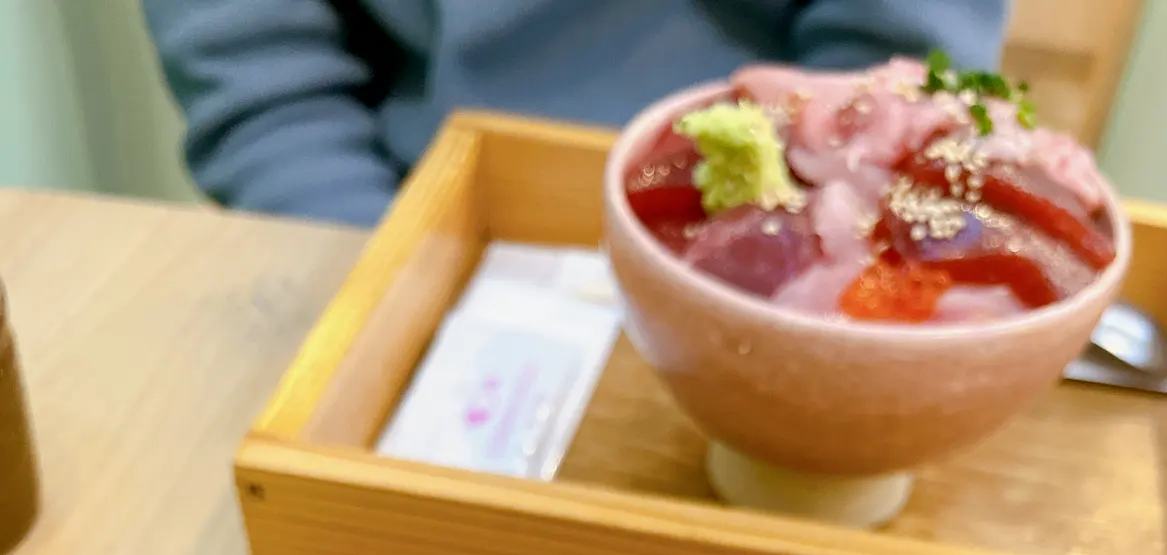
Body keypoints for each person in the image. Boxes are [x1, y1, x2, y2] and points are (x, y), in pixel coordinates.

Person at [143, 0, 1009, 227]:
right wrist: (391, 281)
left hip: (798, 227)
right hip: (409, 219)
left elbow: (894, 64)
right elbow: (262, 84)